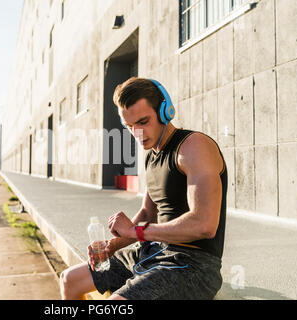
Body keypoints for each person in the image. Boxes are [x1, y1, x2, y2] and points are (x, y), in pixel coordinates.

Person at [60, 77, 227, 300]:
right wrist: (112, 246)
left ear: (165, 111)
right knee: (69, 280)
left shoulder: (193, 146)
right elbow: (149, 213)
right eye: (129, 127)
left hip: (193, 265)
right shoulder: (151, 156)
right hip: (154, 252)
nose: (137, 133)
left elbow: (204, 224)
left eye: (143, 122)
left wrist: (137, 232)